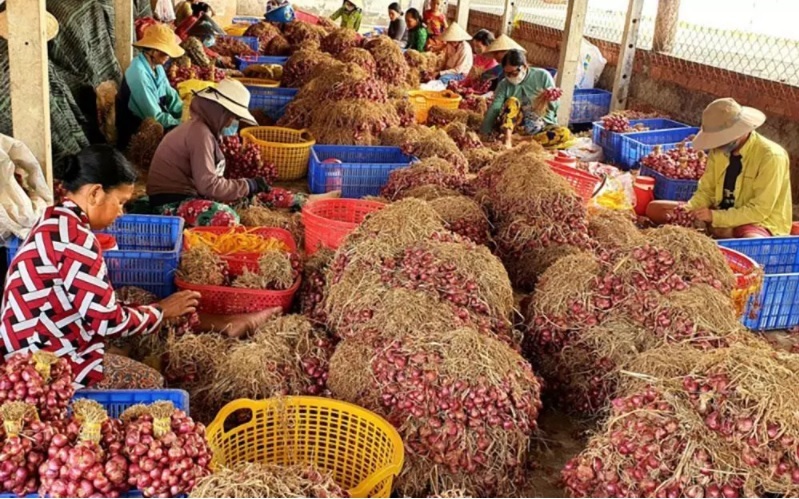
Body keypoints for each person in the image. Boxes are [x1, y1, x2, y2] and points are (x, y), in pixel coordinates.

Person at [0, 145, 201, 389]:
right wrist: (161, 311)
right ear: (95, 193)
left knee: (135, 298)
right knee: (151, 381)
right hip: (43, 369)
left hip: (25, 347)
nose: (121, 213)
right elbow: (107, 322)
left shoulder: (54, 218)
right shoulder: (76, 239)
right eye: (120, 202)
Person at [147, 79, 338, 227]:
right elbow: (209, 186)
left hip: (192, 195)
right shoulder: (200, 134)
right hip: (169, 206)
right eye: (231, 117)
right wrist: (247, 185)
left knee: (253, 195)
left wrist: (250, 187)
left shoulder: (205, 130)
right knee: (227, 216)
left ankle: (305, 202)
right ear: (219, 112)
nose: (231, 123)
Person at [646, 98, 792, 238]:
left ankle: (716, 234)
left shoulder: (771, 156)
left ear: (742, 130)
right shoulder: (719, 151)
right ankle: (711, 233)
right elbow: (707, 190)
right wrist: (690, 209)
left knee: (751, 239)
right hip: (717, 214)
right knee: (655, 209)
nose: (719, 145)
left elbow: (760, 211)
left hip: (755, 222)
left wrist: (714, 217)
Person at [116, 23, 184, 152]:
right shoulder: (138, 74)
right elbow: (154, 116)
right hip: (136, 132)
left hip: (154, 122)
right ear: (153, 51)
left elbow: (170, 94)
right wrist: (180, 124)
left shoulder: (157, 67)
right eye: (166, 53)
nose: (168, 57)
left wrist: (184, 112)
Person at [480, 50, 563, 148]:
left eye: (513, 73)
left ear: (524, 66)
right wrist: (484, 132)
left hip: (541, 124)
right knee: (512, 101)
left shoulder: (543, 76)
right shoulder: (504, 84)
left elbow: (554, 109)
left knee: (563, 133)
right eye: (507, 74)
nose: (510, 77)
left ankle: (521, 140)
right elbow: (495, 107)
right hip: (516, 126)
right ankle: (508, 140)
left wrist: (552, 99)